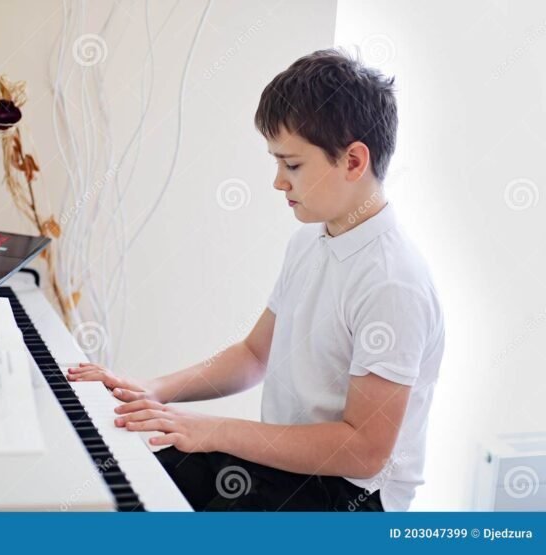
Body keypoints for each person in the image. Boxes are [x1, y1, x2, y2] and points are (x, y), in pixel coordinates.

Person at [67, 49, 444, 512]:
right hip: (289, 470)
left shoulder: (392, 284)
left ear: (352, 161)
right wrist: (152, 389)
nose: (278, 183)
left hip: (351, 497)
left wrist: (215, 430)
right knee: (139, 477)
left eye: (293, 165)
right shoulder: (310, 242)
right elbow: (253, 355)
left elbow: (365, 450)